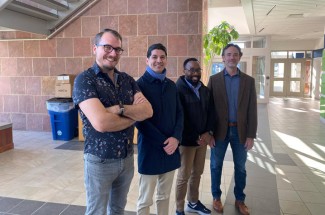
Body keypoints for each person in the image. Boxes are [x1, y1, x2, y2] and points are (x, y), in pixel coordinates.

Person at [72, 28, 153, 215]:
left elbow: (148, 111)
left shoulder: (127, 80)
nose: (113, 53)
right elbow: (101, 123)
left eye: (117, 49)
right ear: (95, 48)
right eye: (107, 47)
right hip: (99, 160)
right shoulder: (85, 80)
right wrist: (133, 115)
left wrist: (119, 109)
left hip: (126, 159)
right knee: (96, 211)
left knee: (117, 210)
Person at [208, 44, 257, 215]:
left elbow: (252, 109)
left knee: (241, 168)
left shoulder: (249, 81)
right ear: (223, 57)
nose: (231, 57)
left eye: (235, 54)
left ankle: (240, 200)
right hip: (219, 132)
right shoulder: (214, 80)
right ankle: (216, 197)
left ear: (240, 57)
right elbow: (209, 109)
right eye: (228, 54)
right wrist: (209, 133)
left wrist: (251, 135)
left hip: (240, 132)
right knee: (215, 165)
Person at [135, 43, 184, 215]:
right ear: (147, 60)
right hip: (150, 150)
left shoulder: (171, 86)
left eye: (162, 57)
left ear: (166, 60)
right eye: (154, 57)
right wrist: (164, 142)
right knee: (145, 199)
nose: (158, 60)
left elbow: (180, 113)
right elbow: (139, 120)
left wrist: (176, 138)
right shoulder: (138, 85)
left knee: (164, 196)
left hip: (171, 150)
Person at [175, 58, 214, 215]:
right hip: (187, 141)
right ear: (184, 71)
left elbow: (211, 113)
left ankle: (193, 202)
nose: (195, 73)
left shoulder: (204, 90)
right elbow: (180, 117)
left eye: (198, 70)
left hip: (202, 141)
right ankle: (179, 208)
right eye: (191, 70)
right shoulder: (178, 89)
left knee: (197, 172)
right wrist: (194, 136)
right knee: (184, 175)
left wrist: (208, 132)